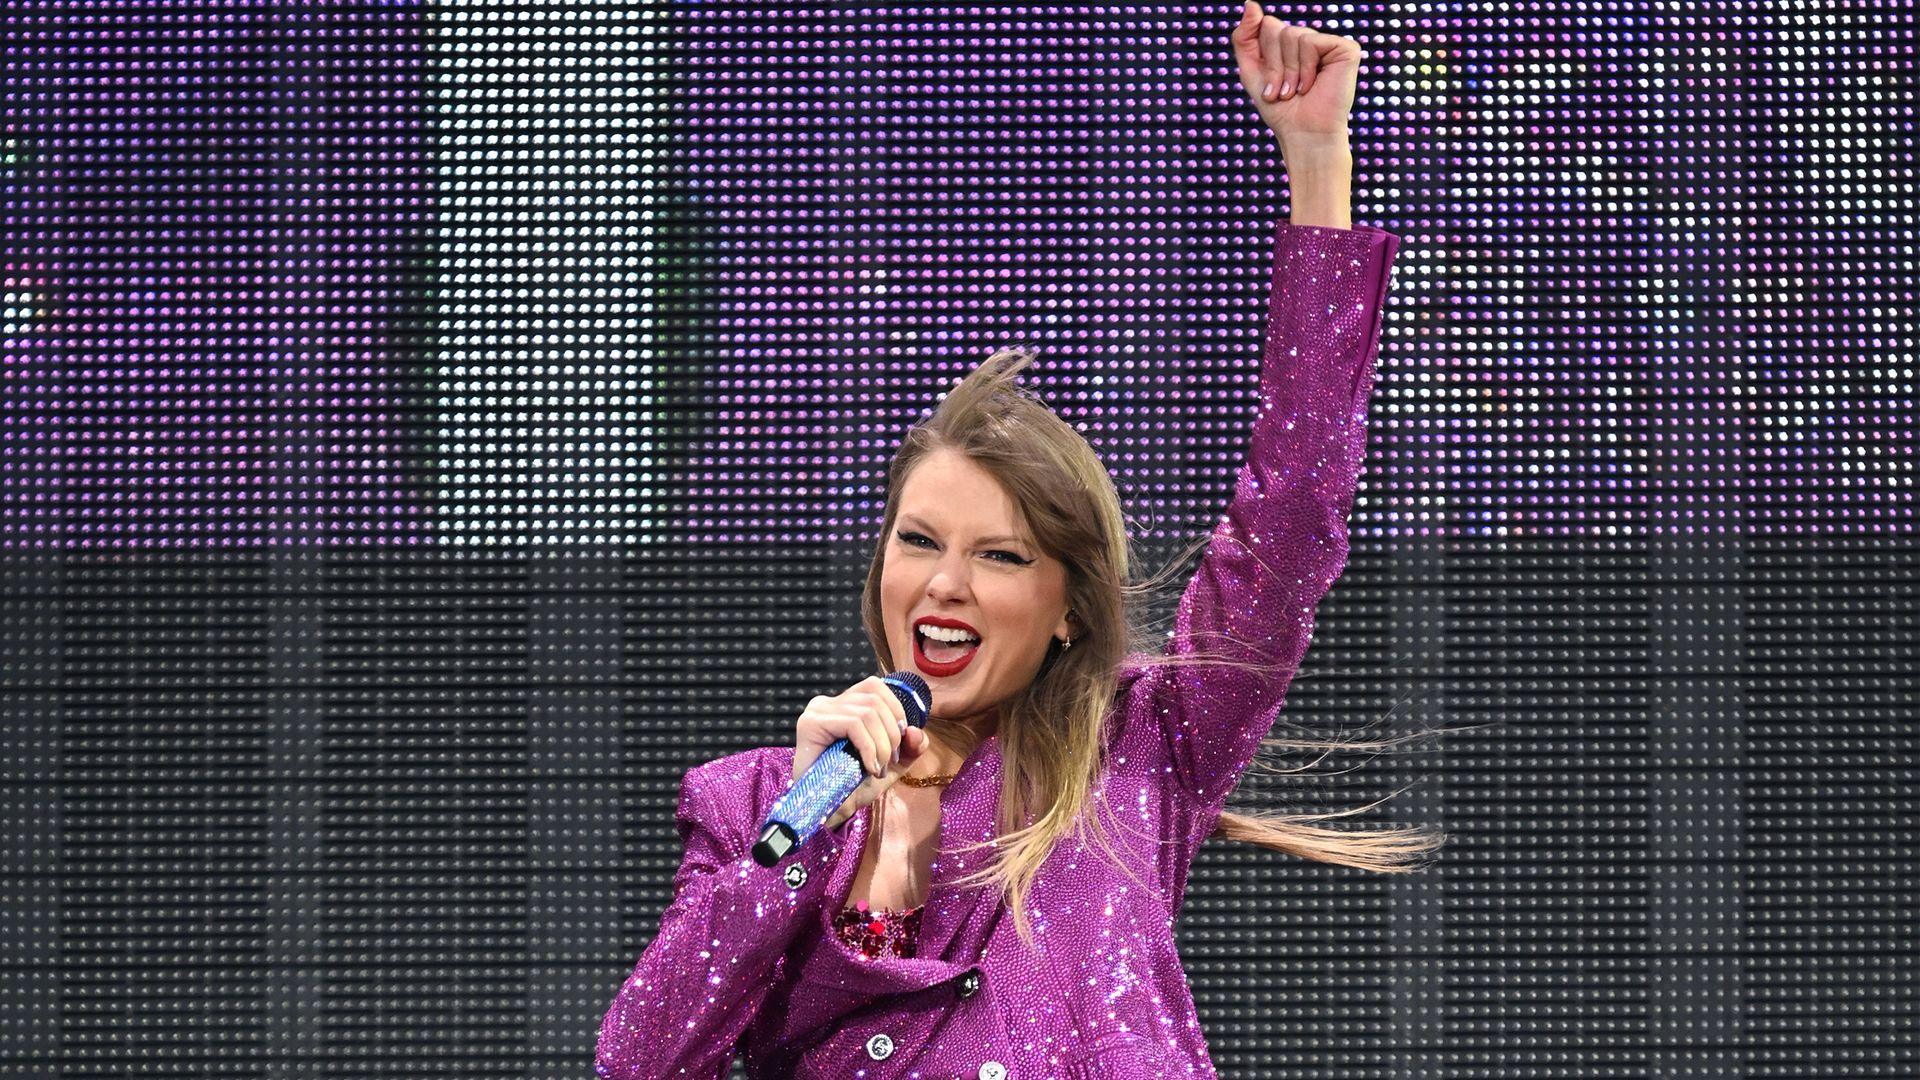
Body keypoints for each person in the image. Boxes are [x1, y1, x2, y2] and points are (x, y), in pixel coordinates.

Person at [597, 3, 1442, 1075]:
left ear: (1069, 608)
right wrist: (809, 845)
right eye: (919, 541)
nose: (944, 585)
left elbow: (1291, 521)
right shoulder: (754, 805)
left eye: (999, 557)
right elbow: (639, 1058)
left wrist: (1316, 160)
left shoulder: (1142, 751)